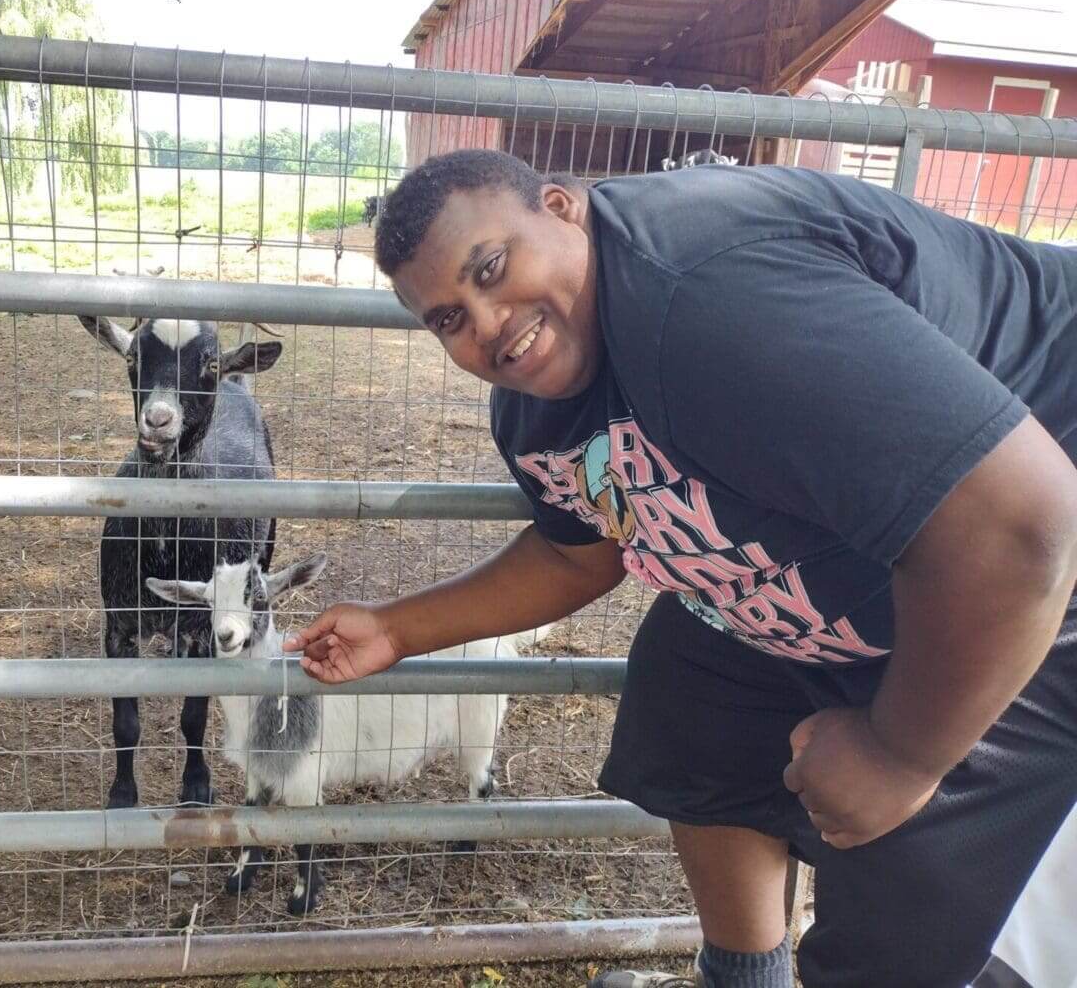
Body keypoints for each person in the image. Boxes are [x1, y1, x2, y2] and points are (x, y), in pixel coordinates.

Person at [283, 149, 1077, 988]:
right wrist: (397, 628)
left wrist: (899, 755)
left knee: (901, 924)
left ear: (561, 207)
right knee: (691, 679)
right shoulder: (534, 403)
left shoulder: (710, 296)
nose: (485, 324)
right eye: (447, 318)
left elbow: (1024, 532)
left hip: (1024, 577)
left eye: (492, 269)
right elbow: (574, 554)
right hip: (897, 549)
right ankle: (742, 978)